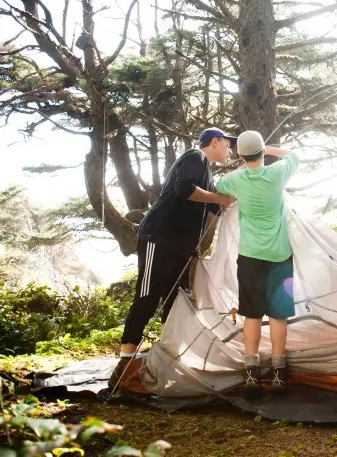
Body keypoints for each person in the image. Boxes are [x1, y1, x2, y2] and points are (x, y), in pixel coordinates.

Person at [108, 127, 237, 390]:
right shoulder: (194, 157)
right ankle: (126, 366)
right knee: (147, 296)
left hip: (180, 247)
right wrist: (219, 198)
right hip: (160, 238)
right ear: (214, 142)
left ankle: (169, 359)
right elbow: (184, 189)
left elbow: (217, 206)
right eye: (228, 144)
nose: (230, 150)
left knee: (175, 302)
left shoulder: (207, 173)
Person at [215, 131, 299, 399]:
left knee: (252, 314)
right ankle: (278, 373)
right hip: (280, 255)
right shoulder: (278, 174)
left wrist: (242, 166)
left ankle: (251, 372)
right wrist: (272, 149)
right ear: (263, 153)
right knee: (278, 315)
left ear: (240, 156)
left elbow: (218, 187)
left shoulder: (235, 180)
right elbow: (295, 155)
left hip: (250, 256)